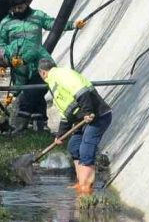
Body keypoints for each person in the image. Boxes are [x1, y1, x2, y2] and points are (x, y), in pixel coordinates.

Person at [0, 0, 84, 132]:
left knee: (38, 88)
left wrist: (73, 25)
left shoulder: (38, 15)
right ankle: (34, 123)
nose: (18, 11)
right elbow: (1, 44)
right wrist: (3, 62)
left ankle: (36, 122)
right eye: (15, 9)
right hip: (18, 63)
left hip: (38, 60)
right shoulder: (6, 23)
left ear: (26, 4)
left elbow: (53, 24)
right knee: (23, 90)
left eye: (21, 7)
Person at [38, 58, 112, 196]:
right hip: (81, 120)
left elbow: (81, 91)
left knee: (86, 148)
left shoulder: (59, 75)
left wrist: (88, 111)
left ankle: (87, 187)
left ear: (42, 73)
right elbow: (65, 114)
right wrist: (60, 135)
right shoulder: (53, 83)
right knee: (74, 145)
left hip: (98, 115)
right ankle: (81, 182)